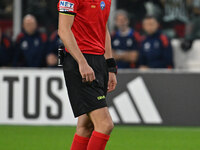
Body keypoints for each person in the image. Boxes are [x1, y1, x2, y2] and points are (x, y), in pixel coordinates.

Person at [58, 0, 117, 150]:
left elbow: (103, 29)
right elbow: (64, 30)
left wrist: (110, 67)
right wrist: (82, 63)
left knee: (85, 126)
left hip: (99, 61)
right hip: (80, 60)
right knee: (105, 124)